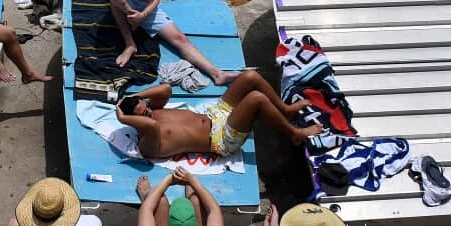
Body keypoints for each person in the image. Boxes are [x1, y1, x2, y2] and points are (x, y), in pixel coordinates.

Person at [115, 72, 321, 158]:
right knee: (255, 98)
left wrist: (135, 96)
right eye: (144, 114)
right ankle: (294, 133)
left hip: (216, 114)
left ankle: (286, 111)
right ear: (134, 122)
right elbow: (150, 126)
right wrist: (123, 119)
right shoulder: (147, 142)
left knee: (250, 77)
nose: (150, 112)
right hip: (221, 138)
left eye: (147, 108)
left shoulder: (153, 112)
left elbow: (166, 89)